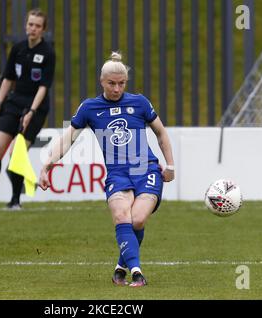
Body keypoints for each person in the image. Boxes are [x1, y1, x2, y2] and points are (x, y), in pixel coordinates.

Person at [38, 52, 175, 287]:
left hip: (146, 169)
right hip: (117, 174)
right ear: (102, 81)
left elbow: (161, 133)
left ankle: (121, 267)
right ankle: (136, 272)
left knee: (138, 220)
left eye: (121, 84)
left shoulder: (139, 102)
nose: (116, 89)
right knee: (122, 216)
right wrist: (48, 164)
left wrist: (170, 165)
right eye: (111, 83)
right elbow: (67, 139)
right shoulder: (90, 108)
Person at [0, 8, 56, 210]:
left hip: (36, 106)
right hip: (14, 103)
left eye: (37, 26)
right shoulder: (17, 49)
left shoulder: (48, 53)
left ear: (43, 30)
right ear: (26, 25)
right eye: (30, 24)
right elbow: (8, 78)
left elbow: (43, 87)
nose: (32, 28)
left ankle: (15, 201)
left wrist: (32, 112)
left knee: (16, 152)